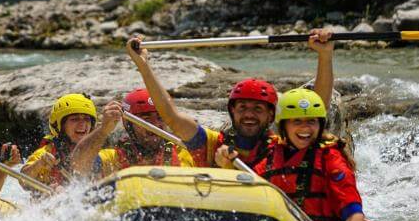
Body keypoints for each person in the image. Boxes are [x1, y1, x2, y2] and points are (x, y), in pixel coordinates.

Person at [124, 30, 334, 169]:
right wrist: (143, 65)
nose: (249, 114)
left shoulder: (282, 146)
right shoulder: (209, 143)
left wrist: (325, 56)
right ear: (232, 111)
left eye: (258, 109)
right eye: (242, 107)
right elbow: (171, 117)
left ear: (271, 115)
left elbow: (316, 109)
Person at [254, 88, 365, 221]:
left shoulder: (331, 159)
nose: (305, 127)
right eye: (297, 121)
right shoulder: (270, 156)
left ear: (320, 125)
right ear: (283, 126)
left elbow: (353, 212)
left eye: (311, 121)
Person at [71, 88, 194, 178]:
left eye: (160, 118)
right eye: (146, 119)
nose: (156, 124)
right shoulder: (113, 159)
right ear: (129, 125)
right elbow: (78, 163)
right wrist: (104, 130)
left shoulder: (184, 153)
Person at [21, 93, 97, 189]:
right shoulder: (47, 153)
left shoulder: (96, 152)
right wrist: (39, 163)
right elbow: (23, 180)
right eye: (75, 119)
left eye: (87, 119)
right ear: (60, 126)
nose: (82, 124)